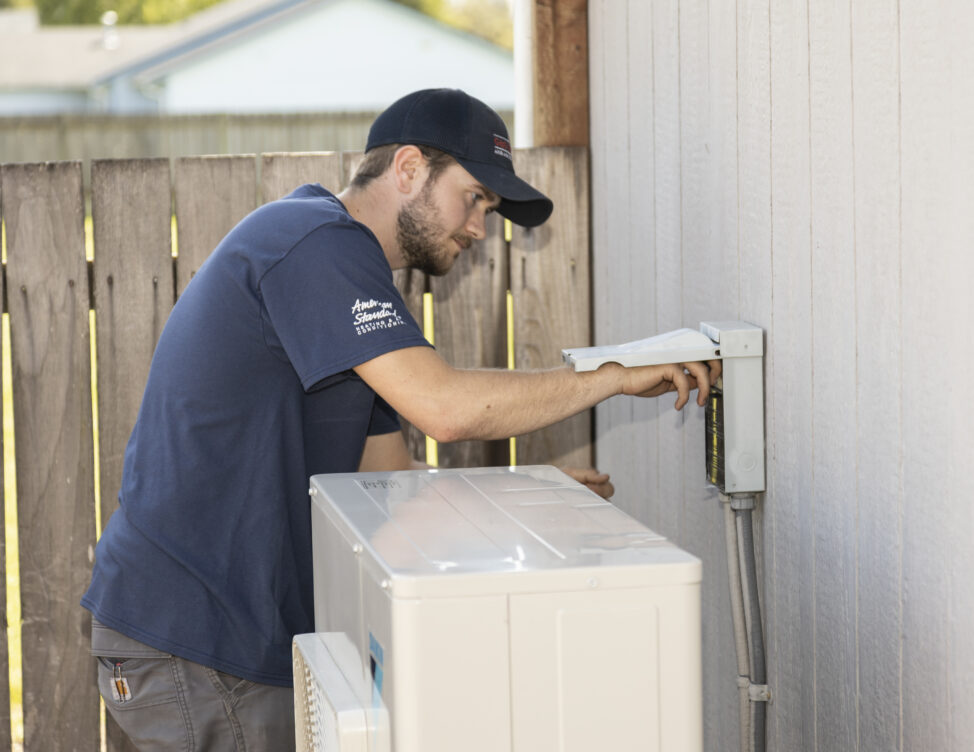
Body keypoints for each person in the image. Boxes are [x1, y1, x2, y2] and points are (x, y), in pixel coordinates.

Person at [81, 88, 719, 751]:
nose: (479, 227)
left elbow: (389, 480)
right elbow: (446, 409)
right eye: (475, 197)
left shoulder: (355, 288)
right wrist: (614, 373)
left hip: (225, 636)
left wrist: (534, 502)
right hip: (196, 634)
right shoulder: (314, 243)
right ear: (408, 169)